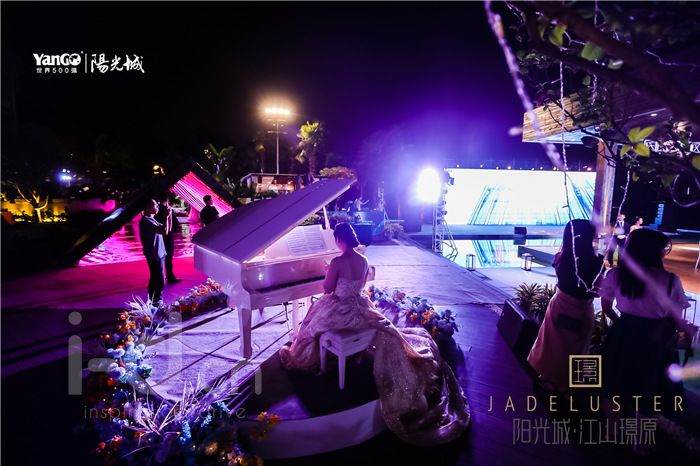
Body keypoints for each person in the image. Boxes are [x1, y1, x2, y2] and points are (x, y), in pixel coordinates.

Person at [279, 223, 470, 444]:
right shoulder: (363, 260)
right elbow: (358, 286)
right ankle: (347, 352)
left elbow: (327, 289)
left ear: (339, 240)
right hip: (360, 307)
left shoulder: (338, 261)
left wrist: (327, 271)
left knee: (312, 322)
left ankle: (314, 357)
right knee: (324, 319)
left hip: (340, 309)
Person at [599, 229, 696, 416]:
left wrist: (622, 322)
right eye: (663, 249)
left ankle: (611, 428)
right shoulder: (670, 280)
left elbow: (606, 307)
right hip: (655, 339)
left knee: (614, 383)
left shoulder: (616, 275)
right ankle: (641, 432)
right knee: (648, 386)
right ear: (654, 251)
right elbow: (675, 317)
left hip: (623, 334)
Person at [527, 219, 604, 393]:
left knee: (552, 345)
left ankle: (547, 380)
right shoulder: (596, 263)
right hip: (582, 310)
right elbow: (597, 292)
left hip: (560, 305)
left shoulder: (560, 258)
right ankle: (568, 388)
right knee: (576, 348)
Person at [139, 198, 171, 303]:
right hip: (154, 254)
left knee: (155, 278)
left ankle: (152, 301)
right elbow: (164, 231)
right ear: (147, 207)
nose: (157, 206)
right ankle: (157, 302)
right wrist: (166, 217)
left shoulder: (152, 219)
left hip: (159, 253)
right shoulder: (146, 221)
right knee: (159, 280)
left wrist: (169, 216)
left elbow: (167, 230)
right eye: (154, 204)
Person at [155, 193, 181, 284]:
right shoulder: (168, 210)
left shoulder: (155, 210)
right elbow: (176, 224)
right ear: (167, 200)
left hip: (157, 236)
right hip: (167, 236)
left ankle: (159, 277)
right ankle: (170, 276)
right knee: (168, 258)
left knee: (159, 257)